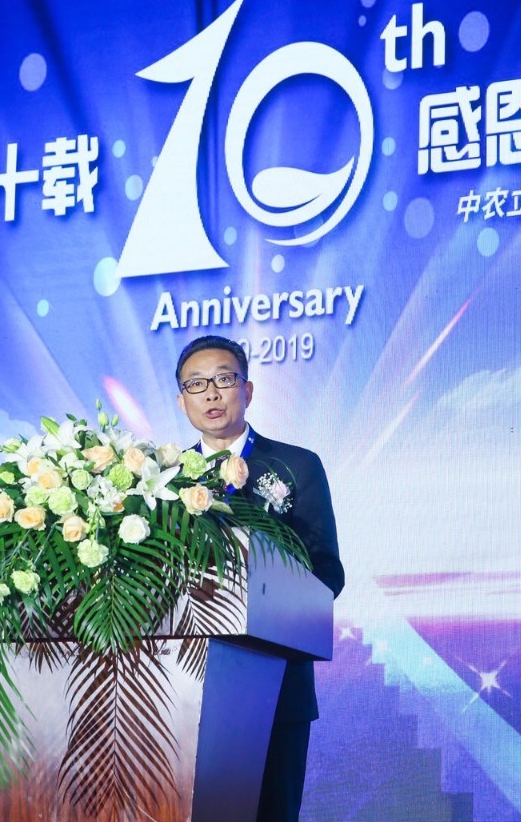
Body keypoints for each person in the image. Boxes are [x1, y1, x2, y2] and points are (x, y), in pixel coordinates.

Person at [175, 334, 344, 822]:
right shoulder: (167, 480)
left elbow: (326, 571)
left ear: (247, 391)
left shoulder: (297, 465)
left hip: (276, 683)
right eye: (196, 384)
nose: (211, 393)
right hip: (182, 688)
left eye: (224, 379)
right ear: (182, 400)